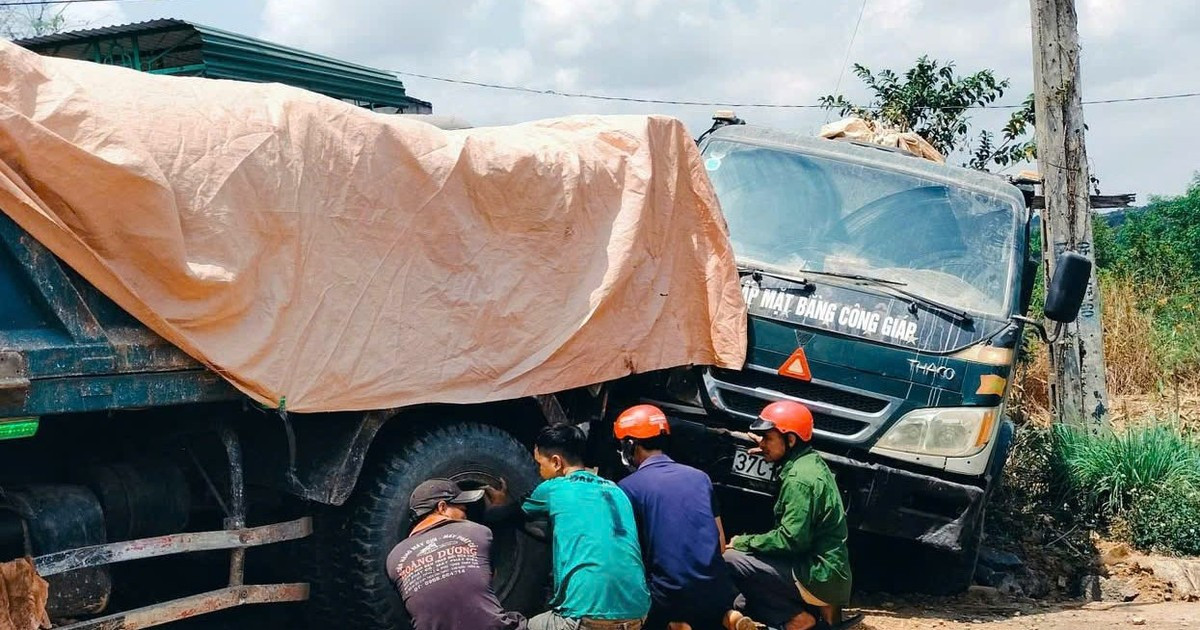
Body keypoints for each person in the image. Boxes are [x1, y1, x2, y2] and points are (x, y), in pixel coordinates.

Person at [490, 424, 650, 630]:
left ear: (557, 462)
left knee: (521, 626)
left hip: (587, 616)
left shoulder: (553, 488)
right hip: (639, 613)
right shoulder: (615, 490)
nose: (539, 471)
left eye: (540, 464)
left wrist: (499, 503)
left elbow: (507, 514)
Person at [613, 404, 758, 630]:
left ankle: (675, 623)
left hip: (668, 594)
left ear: (631, 445)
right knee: (708, 601)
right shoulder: (700, 478)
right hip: (716, 590)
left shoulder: (627, 487)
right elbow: (720, 543)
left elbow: (625, 553)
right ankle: (728, 616)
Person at [723, 401, 852, 630]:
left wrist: (743, 542)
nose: (762, 444)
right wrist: (771, 451)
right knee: (742, 600)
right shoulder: (809, 462)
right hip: (824, 574)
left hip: (817, 575)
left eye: (767, 438)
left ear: (790, 440)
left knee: (731, 558)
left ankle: (798, 620)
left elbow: (791, 540)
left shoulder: (798, 480)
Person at [385, 478, 528, 630]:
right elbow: (488, 578)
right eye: (462, 509)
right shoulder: (476, 531)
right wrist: (499, 510)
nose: (465, 514)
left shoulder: (394, 558)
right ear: (442, 507)